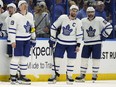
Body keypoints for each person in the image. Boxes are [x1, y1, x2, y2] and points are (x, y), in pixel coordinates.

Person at [75, 6, 113, 82]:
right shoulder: (82, 21)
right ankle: (82, 75)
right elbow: (76, 28)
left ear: (94, 12)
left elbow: (109, 27)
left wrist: (104, 36)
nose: (90, 14)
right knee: (84, 59)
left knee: (96, 59)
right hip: (86, 43)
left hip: (97, 43)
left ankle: (94, 74)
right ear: (86, 13)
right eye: (89, 12)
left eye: (92, 12)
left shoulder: (99, 19)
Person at [48, 5, 82, 84]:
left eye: (76, 11)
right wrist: (52, 37)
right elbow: (53, 27)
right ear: (70, 11)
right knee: (57, 59)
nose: (74, 12)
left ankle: (69, 75)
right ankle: (53, 75)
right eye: (73, 10)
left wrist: (78, 45)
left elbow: (79, 34)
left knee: (71, 60)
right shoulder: (63, 18)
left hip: (72, 44)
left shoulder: (78, 22)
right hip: (61, 42)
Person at [8, 0, 36, 84]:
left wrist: (33, 37)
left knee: (24, 58)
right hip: (18, 40)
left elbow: (32, 27)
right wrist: (12, 41)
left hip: (27, 40)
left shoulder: (30, 15)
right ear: (19, 7)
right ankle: (13, 76)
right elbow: (11, 30)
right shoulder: (15, 16)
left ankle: (22, 76)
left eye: (26, 4)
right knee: (16, 58)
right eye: (23, 5)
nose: (25, 6)